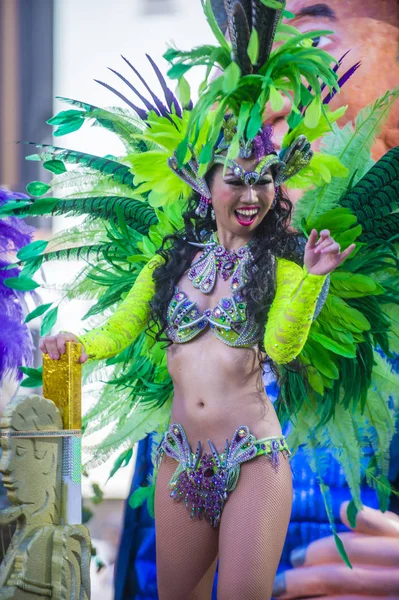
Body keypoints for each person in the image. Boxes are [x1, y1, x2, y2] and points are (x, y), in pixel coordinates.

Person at [9, 1, 396, 599]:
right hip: (179, 458)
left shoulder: (286, 265)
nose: (273, 100)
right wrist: (78, 346)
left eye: (314, 42)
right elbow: (122, 329)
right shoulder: (171, 261)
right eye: (236, 177)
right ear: (203, 181)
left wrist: (314, 276)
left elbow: (282, 344)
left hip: (254, 460)